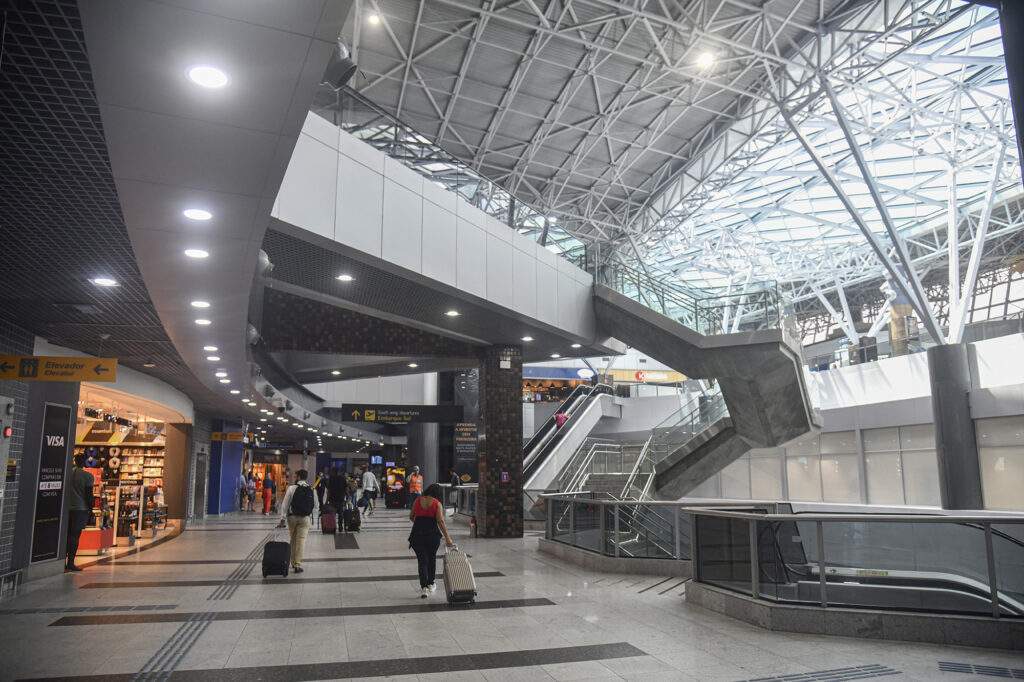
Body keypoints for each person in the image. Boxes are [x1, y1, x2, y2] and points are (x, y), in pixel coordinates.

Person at [408, 483, 454, 597]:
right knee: (431, 558)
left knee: (422, 561)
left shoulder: (417, 501)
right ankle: (430, 584)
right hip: (432, 535)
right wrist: (448, 538)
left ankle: (423, 587)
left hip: (417, 535)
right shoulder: (437, 504)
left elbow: (411, 516)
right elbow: (440, 521)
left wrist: (419, 524)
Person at [278, 469, 319, 573]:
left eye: (296, 476)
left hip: (292, 517)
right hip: (305, 518)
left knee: (293, 538)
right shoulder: (312, 489)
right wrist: (309, 513)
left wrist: (282, 519)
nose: (295, 478)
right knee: (301, 540)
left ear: (299, 477)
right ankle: (298, 564)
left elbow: (285, 504)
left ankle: (292, 562)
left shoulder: (292, 488)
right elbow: (316, 505)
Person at [65, 453, 95, 573]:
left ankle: (62, 561)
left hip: (67, 508)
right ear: (85, 462)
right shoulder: (88, 476)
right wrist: (91, 509)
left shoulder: (68, 473)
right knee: (75, 535)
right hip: (80, 508)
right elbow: (89, 495)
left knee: (66, 535)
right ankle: (71, 562)